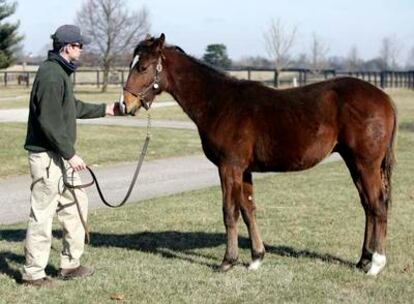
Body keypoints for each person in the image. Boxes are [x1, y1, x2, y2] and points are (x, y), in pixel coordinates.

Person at [22, 24, 120, 287]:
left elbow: (71, 107)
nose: (81, 49)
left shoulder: (61, 73)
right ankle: (33, 274)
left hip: (60, 155)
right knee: (42, 215)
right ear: (66, 47)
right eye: (78, 45)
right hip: (46, 156)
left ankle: (70, 264)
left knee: (77, 204)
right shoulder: (52, 75)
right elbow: (49, 122)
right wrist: (71, 154)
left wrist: (107, 109)